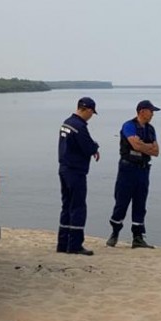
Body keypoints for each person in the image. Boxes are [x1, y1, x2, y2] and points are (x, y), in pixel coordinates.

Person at [107, 99, 160, 249]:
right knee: (121, 201)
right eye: (151, 111)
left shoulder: (150, 129)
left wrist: (142, 146)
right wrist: (146, 146)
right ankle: (115, 232)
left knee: (140, 203)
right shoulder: (129, 126)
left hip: (143, 169)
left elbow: (156, 151)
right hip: (127, 169)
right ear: (142, 111)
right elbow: (134, 144)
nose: (153, 115)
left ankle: (138, 237)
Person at [57, 97, 101, 255]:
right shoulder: (79, 126)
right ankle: (75, 245)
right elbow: (88, 146)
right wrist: (95, 147)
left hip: (64, 168)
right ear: (87, 109)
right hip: (75, 171)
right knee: (78, 207)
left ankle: (62, 244)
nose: (91, 116)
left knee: (66, 206)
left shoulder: (67, 122)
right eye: (92, 112)